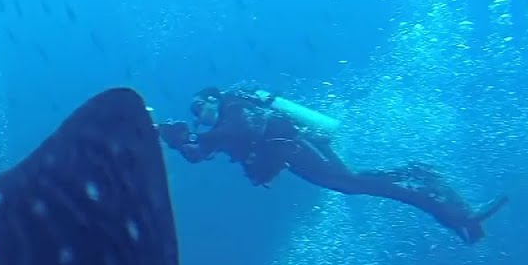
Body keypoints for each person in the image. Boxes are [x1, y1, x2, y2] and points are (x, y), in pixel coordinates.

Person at [157, 86, 509, 244]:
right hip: (295, 152)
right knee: (351, 182)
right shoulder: (225, 122)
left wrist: (193, 137)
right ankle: (432, 193)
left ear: (212, 98)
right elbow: (201, 153)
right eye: (196, 115)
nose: (200, 116)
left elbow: (229, 133)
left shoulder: (233, 106)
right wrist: (177, 140)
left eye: (199, 108)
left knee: (349, 183)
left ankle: (439, 201)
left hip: (297, 147)